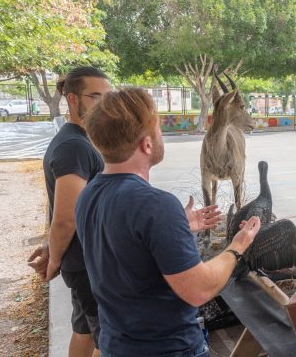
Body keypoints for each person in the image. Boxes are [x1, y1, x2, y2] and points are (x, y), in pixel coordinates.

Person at [75, 88, 259, 356]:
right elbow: (199, 290)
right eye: (159, 129)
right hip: (169, 349)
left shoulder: (88, 196)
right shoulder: (156, 205)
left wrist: (177, 228)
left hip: (116, 345)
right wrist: (237, 246)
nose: (161, 136)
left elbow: (127, 253)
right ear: (147, 144)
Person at [26, 66, 110, 357]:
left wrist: (52, 247)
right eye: (95, 97)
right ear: (73, 100)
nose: (104, 105)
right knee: (108, 342)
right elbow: (66, 217)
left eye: (107, 97)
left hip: (84, 261)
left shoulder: (79, 139)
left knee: (84, 331)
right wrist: (55, 258)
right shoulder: (74, 145)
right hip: (87, 264)